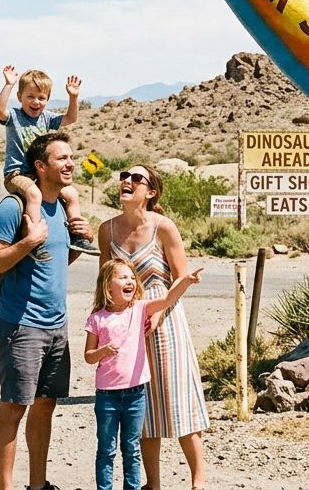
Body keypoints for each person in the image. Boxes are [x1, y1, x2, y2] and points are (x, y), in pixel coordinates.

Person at [0, 132, 95, 490]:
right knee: (15, 406)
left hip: (57, 326)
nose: (70, 163)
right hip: (22, 325)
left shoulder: (61, 208)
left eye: (71, 157)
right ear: (40, 166)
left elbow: (56, 259)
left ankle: (37, 485)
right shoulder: (12, 209)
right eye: (61, 158)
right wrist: (28, 241)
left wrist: (82, 240)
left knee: (45, 405)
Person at [97, 165, 211, 490]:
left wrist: (160, 311)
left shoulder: (164, 227)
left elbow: (181, 276)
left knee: (178, 396)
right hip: (129, 324)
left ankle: (198, 481)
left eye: (136, 179)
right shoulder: (107, 229)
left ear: (151, 192)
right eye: (124, 176)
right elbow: (105, 280)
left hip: (166, 319)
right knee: (142, 406)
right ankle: (153, 484)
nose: (127, 182)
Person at [84, 259, 204, 490]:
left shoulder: (139, 309)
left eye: (132, 277)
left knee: (131, 448)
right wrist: (102, 351)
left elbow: (168, 300)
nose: (130, 281)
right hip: (107, 396)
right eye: (123, 278)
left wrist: (186, 281)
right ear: (108, 286)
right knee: (106, 449)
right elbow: (88, 356)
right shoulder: (97, 318)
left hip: (136, 395)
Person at [0, 65, 96, 257]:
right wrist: (8, 84)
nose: (36, 102)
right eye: (30, 96)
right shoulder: (14, 116)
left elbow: (70, 118)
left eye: (42, 98)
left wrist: (73, 97)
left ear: (47, 100)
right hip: (17, 174)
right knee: (33, 195)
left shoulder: (46, 118)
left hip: (42, 174)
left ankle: (77, 236)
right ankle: (35, 239)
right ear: (20, 96)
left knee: (72, 194)